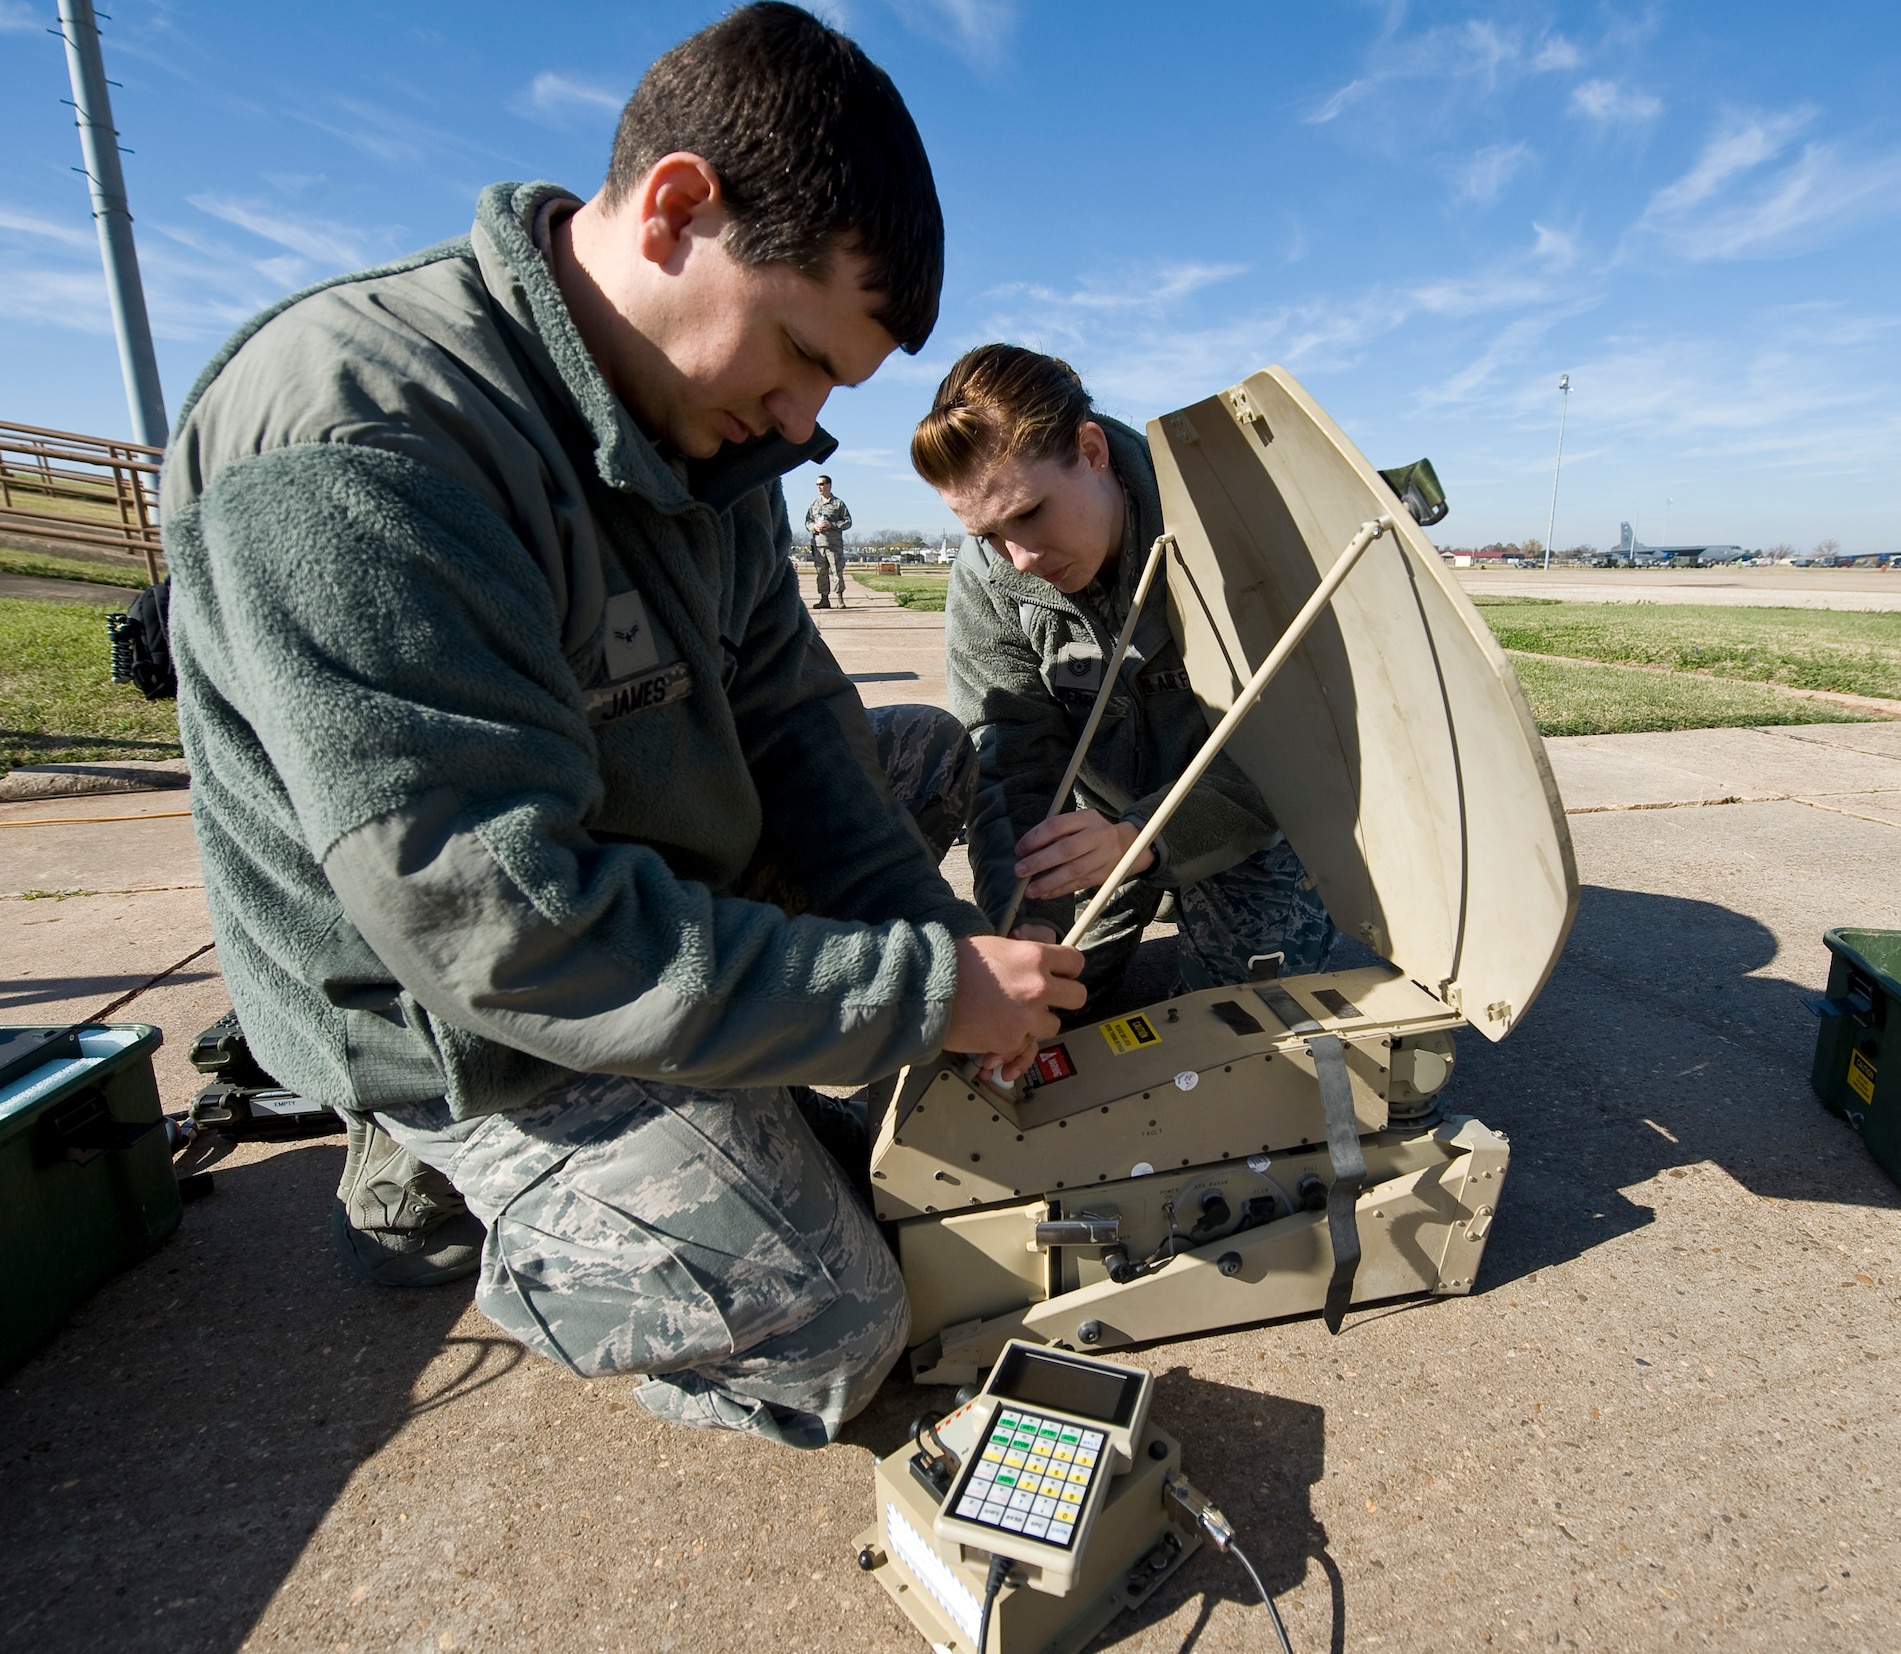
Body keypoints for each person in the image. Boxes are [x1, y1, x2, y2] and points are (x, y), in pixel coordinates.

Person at [163, 6, 1084, 1451]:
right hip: (468, 997)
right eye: (797, 355)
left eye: (834, 386)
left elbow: (796, 723)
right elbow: (497, 925)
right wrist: (905, 996)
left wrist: (936, 966)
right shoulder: (362, 438)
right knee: (845, 1325)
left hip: (619, 879)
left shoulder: (716, 429)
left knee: (910, 761)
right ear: (676, 211)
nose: (801, 418)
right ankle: (449, 1167)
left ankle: (627, 1143)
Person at [912, 344, 1344, 1012]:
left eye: (1029, 513)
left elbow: (1295, 750)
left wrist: (1144, 839)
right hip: (1102, 824)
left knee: (1241, 1028)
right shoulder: (990, 573)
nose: (1017, 559)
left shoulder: (1225, 525)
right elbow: (1011, 752)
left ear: (1090, 450)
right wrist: (1022, 913)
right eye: (989, 534)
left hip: (1248, 819)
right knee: (1044, 1002)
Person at [804, 473, 852, 608]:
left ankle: (840, 598)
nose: (819, 487)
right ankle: (824, 599)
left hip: (833, 545)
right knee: (821, 572)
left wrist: (833, 525)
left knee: (837, 571)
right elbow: (807, 522)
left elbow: (848, 522)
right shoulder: (814, 504)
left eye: (821, 484)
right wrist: (814, 527)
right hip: (818, 545)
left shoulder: (838, 504)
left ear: (829, 485)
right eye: (817, 485)